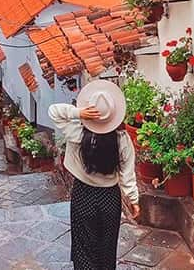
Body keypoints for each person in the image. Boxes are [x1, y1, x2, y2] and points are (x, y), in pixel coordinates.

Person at [48, 80, 139, 270]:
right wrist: (133, 199)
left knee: (84, 247)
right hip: (109, 198)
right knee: (107, 250)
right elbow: (127, 173)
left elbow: (54, 112)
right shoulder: (122, 140)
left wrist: (77, 113)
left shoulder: (77, 133)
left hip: (83, 195)